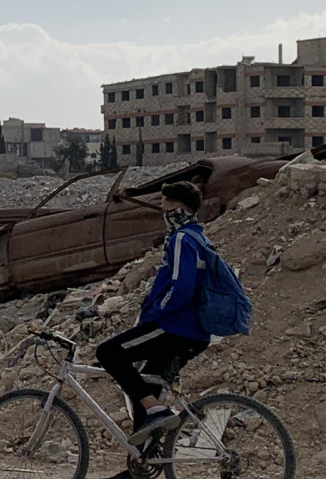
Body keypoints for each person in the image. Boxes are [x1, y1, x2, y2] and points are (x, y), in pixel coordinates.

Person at [96, 181, 212, 478]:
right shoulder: (198, 237)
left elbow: (181, 288)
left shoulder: (182, 239)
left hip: (174, 326)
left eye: (164, 203)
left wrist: (158, 313)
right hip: (189, 330)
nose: (161, 208)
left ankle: (158, 412)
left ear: (176, 206)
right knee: (145, 387)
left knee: (108, 352)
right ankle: (143, 463)